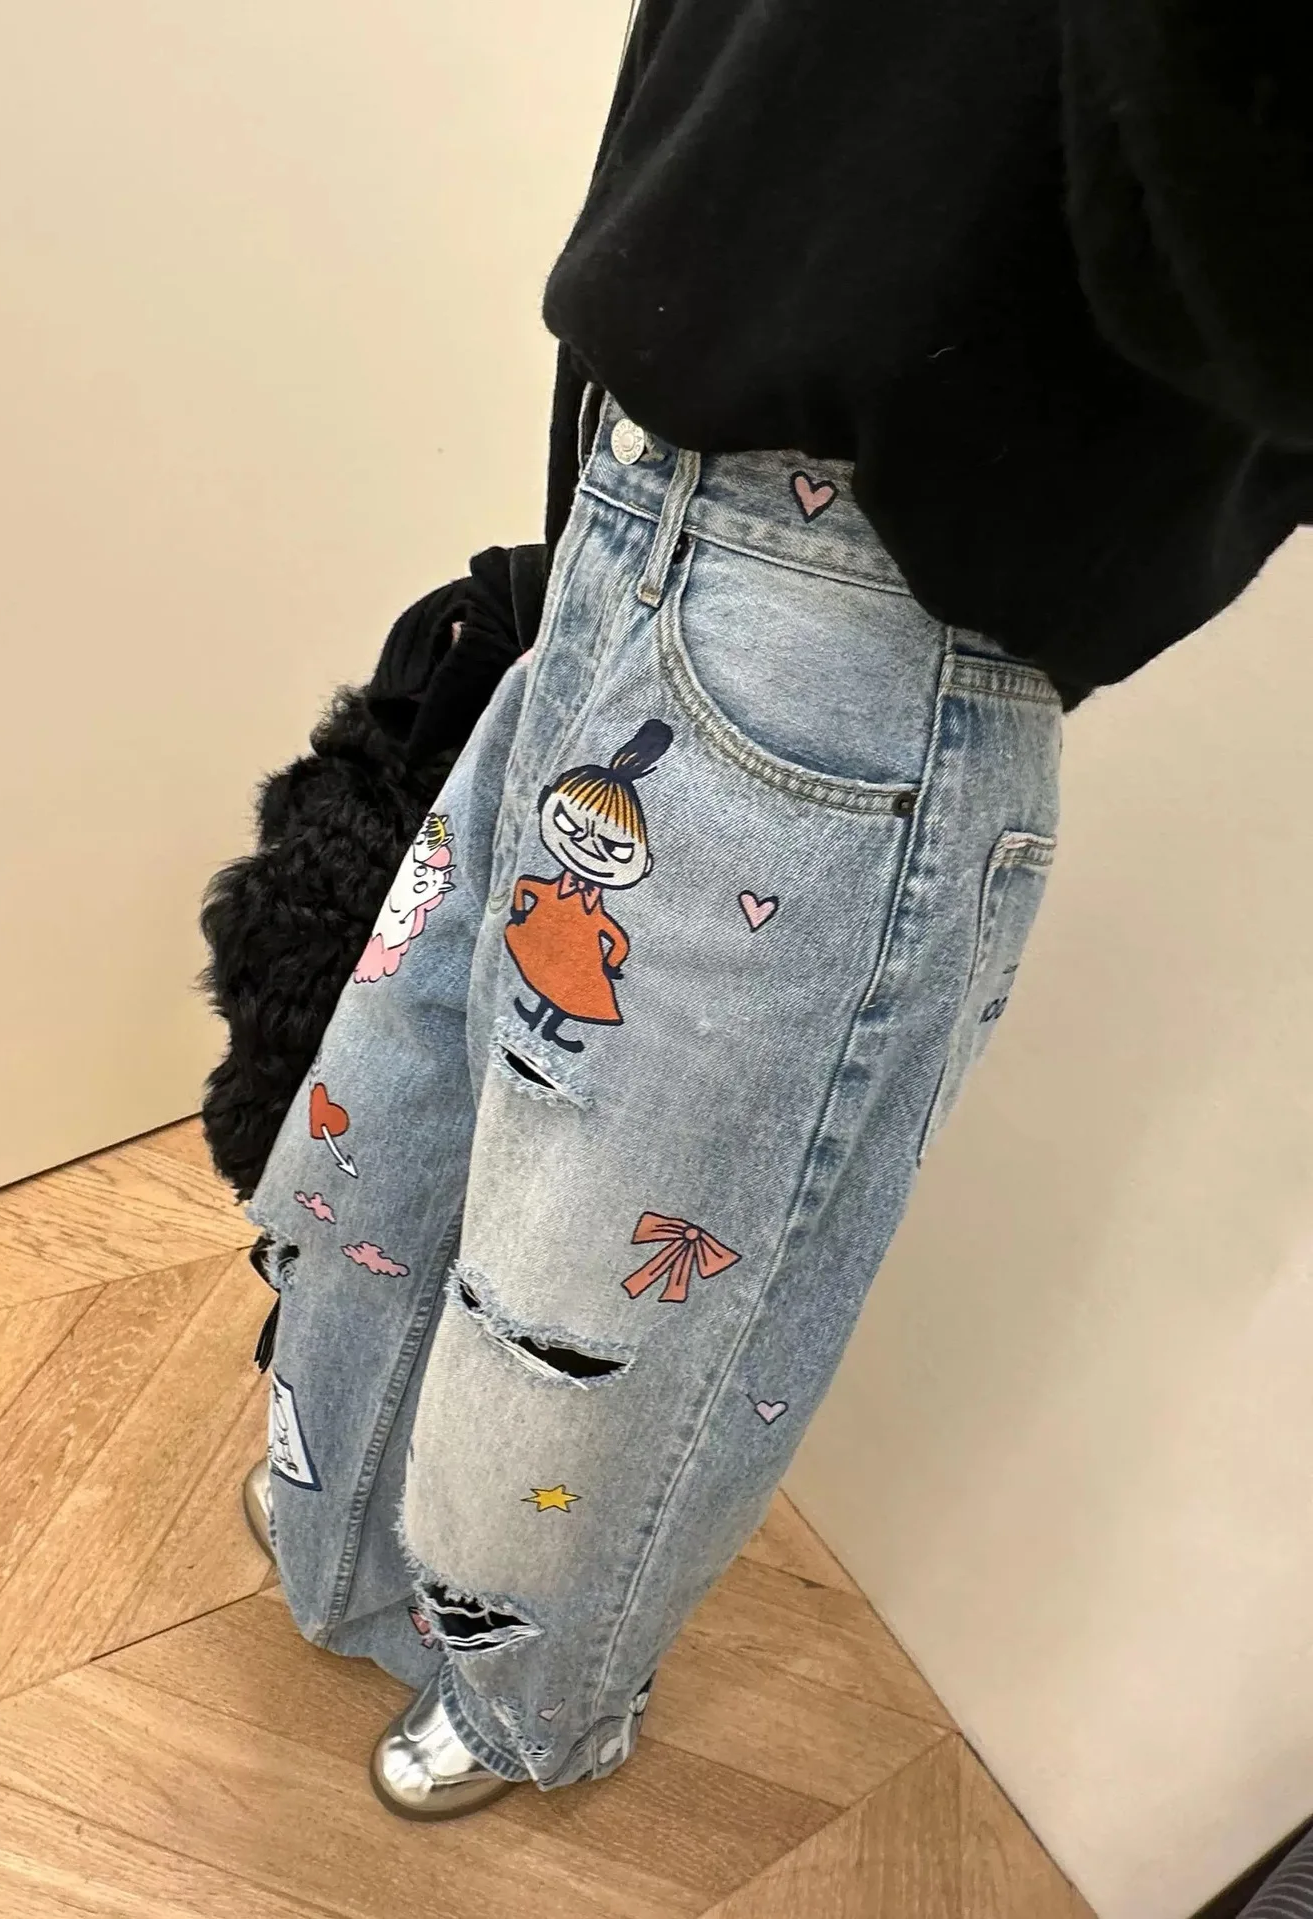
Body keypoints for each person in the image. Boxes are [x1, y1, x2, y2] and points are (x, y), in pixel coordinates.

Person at [239, 0, 1313, 1818]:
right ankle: (337, 1516)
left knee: (603, 1271)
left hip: (874, 610)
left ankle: (525, 1685)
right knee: (403, 1106)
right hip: (635, 489)